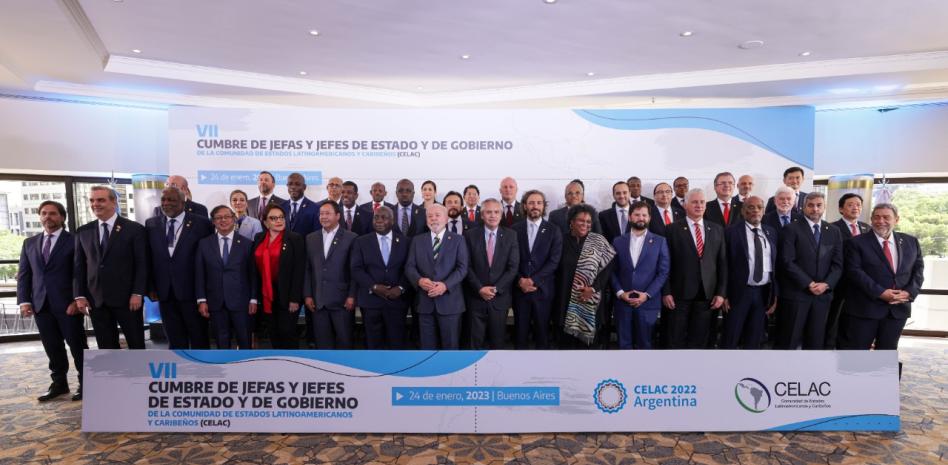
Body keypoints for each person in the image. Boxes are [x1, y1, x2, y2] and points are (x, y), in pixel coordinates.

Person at [17, 200, 87, 401]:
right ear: (40, 217)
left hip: (68, 305)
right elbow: (24, 274)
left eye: (53, 213)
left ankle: (86, 383)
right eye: (44, 213)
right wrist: (24, 301)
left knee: (77, 346)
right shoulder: (29, 243)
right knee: (52, 346)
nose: (48, 217)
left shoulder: (75, 240)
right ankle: (59, 384)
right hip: (41, 305)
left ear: (62, 217)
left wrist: (77, 299)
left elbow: (80, 273)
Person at [839, 203, 924, 350]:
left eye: (886, 217)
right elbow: (854, 271)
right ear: (871, 219)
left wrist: (909, 293)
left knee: (887, 352)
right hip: (864, 309)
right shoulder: (855, 243)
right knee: (856, 354)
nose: (881, 221)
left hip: (897, 309)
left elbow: (918, 270)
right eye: (877, 217)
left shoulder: (911, 242)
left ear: (896, 219)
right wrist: (881, 293)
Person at [74, 185, 147, 350]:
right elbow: (79, 266)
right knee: (106, 348)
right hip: (96, 300)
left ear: (114, 202)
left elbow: (142, 264)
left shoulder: (134, 229)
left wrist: (138, 293)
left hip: (128, 299)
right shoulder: (83, 231)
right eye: (92, 200)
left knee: (136, 345)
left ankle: (137, 369)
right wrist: (79, 295)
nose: (95, 204)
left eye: (101, 200)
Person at [145, 186, 214, 349]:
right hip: (165, 292)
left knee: (199, 338)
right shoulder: (151, 224)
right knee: (174, 340)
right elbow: (149, 258)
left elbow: (209, 258)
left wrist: (206, 292)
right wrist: (151, 287)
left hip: (193, 292)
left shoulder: (202, 223)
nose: (166, 203)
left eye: (171, 200)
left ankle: (200, 366)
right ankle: (179, 365)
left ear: (183, 202)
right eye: (163, 199)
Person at [776, 192, 843, 350]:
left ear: (824, 207)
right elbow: (787, 261)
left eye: (819, 205)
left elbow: (838, 264)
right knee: (789, 341)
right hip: (796, 294)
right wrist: (809, 283)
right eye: (810, 205)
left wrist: (826, 284)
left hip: (822, 297)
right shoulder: (790, 229)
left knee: (815, 342)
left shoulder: (834, 231)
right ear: (803, 207)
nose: (815, 209)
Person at [661, 189, 727, 349]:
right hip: (678, 294)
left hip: (707, 295)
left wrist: (721, 293)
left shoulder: (717, 229)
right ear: (685, 205)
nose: (699, 205)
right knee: (675, 339)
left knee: (700, 340)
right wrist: (666, 291)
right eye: (694, 202)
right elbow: (665, 264)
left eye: (702, 202)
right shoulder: (671, 230)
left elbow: (722, 264)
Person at [405, 204, 470, 349]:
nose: (433, 219)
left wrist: (445, 285)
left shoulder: (458, 240)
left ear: (446, 219)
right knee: (427, 349)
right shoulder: (417, 240)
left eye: (437, 215)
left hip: (450, 304)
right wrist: (419, 280)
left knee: (450, 348)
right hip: (425, 304)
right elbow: (409, 267)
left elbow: (462, 268)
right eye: (430, 216)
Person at [195, 205, 258, 349]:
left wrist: (253, 299)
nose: (223, 220)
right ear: (213, 221)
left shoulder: (247, 244)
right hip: (215, 301)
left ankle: (245, 364)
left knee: (245, 341)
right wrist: (201, 300)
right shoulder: (204, 244)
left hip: (242, 302)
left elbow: (253, 274)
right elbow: (200, 273)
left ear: (234, 219)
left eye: (227, 217)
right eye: (218, 218)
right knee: (221, 343)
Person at [554, 204, 615, 349]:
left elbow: (608, 269)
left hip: (590, 303)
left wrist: (593, 289)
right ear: (571, 222)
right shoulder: (560, 240)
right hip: (564, 302)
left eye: (588, 221)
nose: (585, 224)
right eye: (581, 220)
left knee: (589, 352)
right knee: (565, 349)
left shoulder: (598, 241)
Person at [611, 202, 670, 350]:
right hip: (623, 303)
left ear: (649, 218)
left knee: (645, 346)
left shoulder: (660, 241)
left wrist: (647, 295)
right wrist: (620, 293)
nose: (641, 218)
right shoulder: (618, 241)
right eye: (637, 215)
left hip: (647, 304)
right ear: (630, 217)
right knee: (623, 346)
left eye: (644, 215)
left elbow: (663, 272)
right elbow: (611, 270)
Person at [350, 206, 411, 349]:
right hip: (371, 302)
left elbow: (409, 268)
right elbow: (356, 269)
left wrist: (401, 288)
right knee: (373, 344)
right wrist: (374, 286)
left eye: (384, 217)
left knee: (396, 344)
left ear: (392, 221)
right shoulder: (361, 241)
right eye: (376, 217)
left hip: (397, 302)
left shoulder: (406, 242)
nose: (379, 221)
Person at [722, 196, 778, 349]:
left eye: (759, 207)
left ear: (764, 211)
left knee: (754, 338)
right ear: (743, 211)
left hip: (763, 293)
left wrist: (775, 294)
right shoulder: (731, 232)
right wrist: (723, 293)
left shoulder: (771, 232)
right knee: (731, 337)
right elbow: (724, 265)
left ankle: (750, 363)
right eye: (751, 207)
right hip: (738, 293)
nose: (755, 210)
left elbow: (775, 265)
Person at [464, 199, 520, 350]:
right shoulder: (469, 235)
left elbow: (513, 267)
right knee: (474, 344)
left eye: (496, 212)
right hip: (476, 297)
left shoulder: (511, 235)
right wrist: (479, 288)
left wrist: (496, 289)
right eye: (488, 212)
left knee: (498, 343)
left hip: (499, 298)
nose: (493, 215)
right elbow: (466, 266)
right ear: (482, 215)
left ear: (501, 215)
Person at [512, 190, 563, 350]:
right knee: (520, 336)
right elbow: (510, 260)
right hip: (520, 291)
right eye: (531, 203)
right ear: (525, 206)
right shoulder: (514, 229)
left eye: (539, 203)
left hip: (543, 291)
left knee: (542, 336)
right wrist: (520, 280)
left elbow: (554, 262)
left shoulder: (553, 230)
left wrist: (533, 280)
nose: (535, 206)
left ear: (544, 206)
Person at [304, 201, 358, 349]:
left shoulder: (351, 238)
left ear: (338, 216)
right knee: (323, 345)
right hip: (318, 301)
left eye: (328, 213)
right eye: (321, 214)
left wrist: (352, 295)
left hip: (342, 301)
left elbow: (354, 270)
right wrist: (307, 295)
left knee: (345, 343)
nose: (324, 217)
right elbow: (308, 269)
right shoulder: (311, 238)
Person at [253, 204, 305, 349]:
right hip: (266, 295)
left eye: (281, 217)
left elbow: (299, 270)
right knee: (273, 332)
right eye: (273, 218)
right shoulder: (259, 238)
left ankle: (292, 361)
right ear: (265, 222)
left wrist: (295, 298)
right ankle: (278, 361)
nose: (279, 221)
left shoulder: (294, 238)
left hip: (287, 296)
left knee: (287, 332)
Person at [825, 193, 871, 348]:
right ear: (841, 209)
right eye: (850, 205)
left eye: (858, 205)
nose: (855, 208)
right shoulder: (831, 228)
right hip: (840, 283)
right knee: (833, 321)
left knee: (856, 324)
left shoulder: (867, 228)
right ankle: (828, 351)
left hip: (862, 285)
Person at [280, 172, 320, 238]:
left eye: (297, 184)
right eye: (290, 184)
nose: (293, 187)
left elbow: (316, 234)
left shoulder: (315, 208)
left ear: (304, 187)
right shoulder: (281, 207)